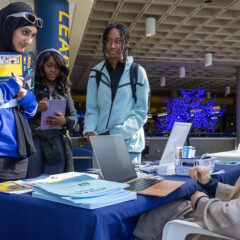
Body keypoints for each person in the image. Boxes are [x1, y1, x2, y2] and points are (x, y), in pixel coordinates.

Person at [83, 22, 150, 164]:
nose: (112, 46)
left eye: (117, 41)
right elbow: (92, 109)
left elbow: (141, 112)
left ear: (126, 43)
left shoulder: (137, 72)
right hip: (102, 144)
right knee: (102, 186)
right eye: (108, 41)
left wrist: (115, 133)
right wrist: (89, 130)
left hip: (129, 145)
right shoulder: (96, 73)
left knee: (130, 186)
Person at [133, 165, 240, 240]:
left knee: (159, 212)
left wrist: (200, 202)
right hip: (223, 218)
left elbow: (235, 220)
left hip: (220, 231)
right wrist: (211, 184)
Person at [0, 2, 43, 181]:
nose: (28, 41)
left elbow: (32, 111)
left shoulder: (26, 66)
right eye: (25, 32)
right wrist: (9, 87)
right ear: (8, 27)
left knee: (14, 207)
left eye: (32, 35)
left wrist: (26, 97)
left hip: (20, 153)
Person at [26, 48, 77, 178]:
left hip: (57, 142)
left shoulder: (64, 91)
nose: (53, 70)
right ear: (41, 66)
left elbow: (74, 118)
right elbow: (19, 114)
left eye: (57, 67)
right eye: (49, 66)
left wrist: (64, 121)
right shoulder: (31, 88)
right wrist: (36, 108)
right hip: (35, 139)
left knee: (55, 182)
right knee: (33, 180)